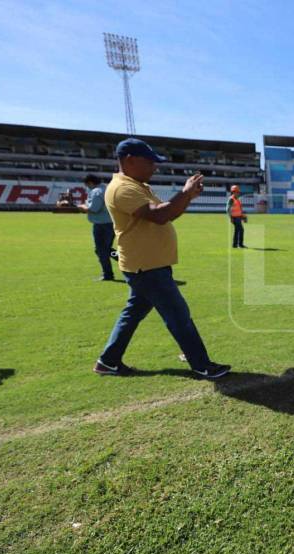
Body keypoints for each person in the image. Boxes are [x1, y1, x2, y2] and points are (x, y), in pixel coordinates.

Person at [93, 138, 230, 379]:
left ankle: (108, 361)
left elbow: (167, 214)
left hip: (145, 264)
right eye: (150, 162)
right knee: (178, 315)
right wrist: (184, 193)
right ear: (130, 160)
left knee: (133, 313)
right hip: (147, 267)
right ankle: (201, 364)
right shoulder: (123, 188)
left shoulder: (136, 184)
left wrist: (187, 197)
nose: (154, 167)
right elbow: (159, 216)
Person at [77, 174, 117, 281]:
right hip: (111, 223)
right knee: (106, 249)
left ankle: (108, 274)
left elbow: (94, 208)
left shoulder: (96, 191)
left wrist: (81, 207)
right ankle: (126, 261)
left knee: (101, 250)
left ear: (90, 182)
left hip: (102, 224)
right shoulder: (107, 188)